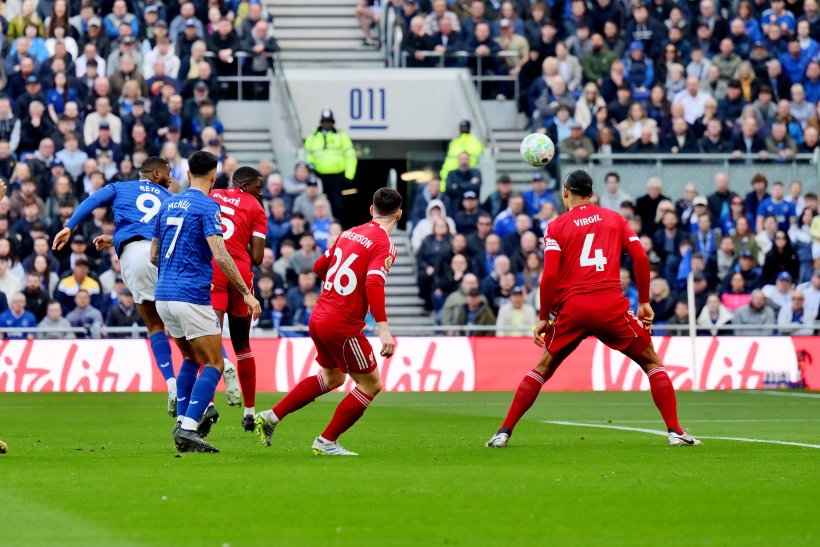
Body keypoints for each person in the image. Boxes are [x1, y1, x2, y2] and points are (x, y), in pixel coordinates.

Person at [487, 170, 701, 449]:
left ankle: (503, 432)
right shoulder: (615, 219)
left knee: (542, 368)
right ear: (591, 193)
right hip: (610, 306)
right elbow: (640, 256)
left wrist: (544, 317)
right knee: (651, 363)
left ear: (566, 192)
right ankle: (675, 431)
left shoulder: (556, 226)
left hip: (573, 309)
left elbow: (548, 276)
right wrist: (644, 301)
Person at [254, 188, 402, 456]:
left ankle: (271, 417)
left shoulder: (348, 233)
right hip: (342, 324)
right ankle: (326, 441)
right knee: (371, 385)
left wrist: (337, 290)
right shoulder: (385, 244)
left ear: (371, 210)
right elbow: (373, 282)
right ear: (399, 215)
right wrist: (383, 328)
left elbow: (320, 267)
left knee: (332, 377)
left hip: (320, 315)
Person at [52, 157, 181, 417]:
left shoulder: (119, 188)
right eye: (168, 173)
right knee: (187, 322)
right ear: (156, 174)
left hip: (134, 257)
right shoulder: (170, 197)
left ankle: (171, 381)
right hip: (164, 256)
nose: (170, 178)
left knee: (155, 326)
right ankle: (218, 365)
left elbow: (92, 201)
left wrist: (69, 226)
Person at [151, 151, 261, 453]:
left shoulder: (168, 203)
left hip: (163, 296)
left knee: (190, 358)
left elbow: (153, 254)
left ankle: (182, 421)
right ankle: (188, 427)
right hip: (191, 296)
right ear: (213, 176)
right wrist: (246, 292)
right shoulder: (208, 205)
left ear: (188, 174)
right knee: (214, 363)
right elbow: (221, 255)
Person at [209, 166, 268, 429]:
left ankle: (207, 405)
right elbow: (258, 257)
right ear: (245, 185)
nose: (261, 191)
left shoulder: (213, 195)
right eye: (258, 186)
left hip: (213, 270)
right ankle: (249, 412)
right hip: (240, 274)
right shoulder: (256, 207)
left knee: (210, 341)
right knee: (242, 345)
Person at [304, 108, 356, 227]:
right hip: (318, 175)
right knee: (318, 202)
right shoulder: (313, 136)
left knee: (338, 204)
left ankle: (337, 226)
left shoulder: (341, 135)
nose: (327, 124)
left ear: (333, 122)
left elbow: (350, 156)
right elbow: (307, 154)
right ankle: (318, 226)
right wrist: (310, 169)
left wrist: (349, 175)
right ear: (321, 122)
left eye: (329, 121)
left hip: (337, 176)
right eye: (325, 121)